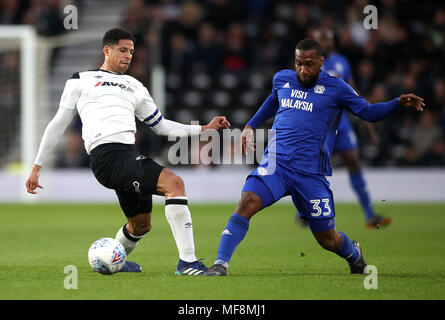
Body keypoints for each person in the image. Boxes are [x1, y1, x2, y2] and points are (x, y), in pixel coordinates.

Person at [202, 39, 424, 276]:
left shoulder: (337, 88)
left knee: (327, 239)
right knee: (247, 201)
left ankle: (354, 254)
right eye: (299, 64)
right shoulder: (282, 79)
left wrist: (397, 103)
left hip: (311, 175)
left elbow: (367, 112)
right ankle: (220, 264)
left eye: (309, 64)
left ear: (321, 62)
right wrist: (251, 124)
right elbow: (274, 100)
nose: (303, 70)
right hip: (277, 165)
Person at [25, 28, 230, 275]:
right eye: (123, 50)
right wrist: (37, 166)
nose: (128, 55)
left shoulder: (135, 86)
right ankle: (187, 263)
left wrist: (204, 129)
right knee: (174, 183)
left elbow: (162, 126)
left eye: (131, 51)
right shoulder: (80, 80)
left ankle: (114, 262)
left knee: (140, 226)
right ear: (107, 50)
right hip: (107, 157)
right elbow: (58, 124)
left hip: (127, 155)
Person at [311, 27, 391, 229]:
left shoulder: (342, 62)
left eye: (327, 39)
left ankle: (370, 215)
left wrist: (368, 125)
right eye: (320, 39)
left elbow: (354, 94)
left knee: (353, 162)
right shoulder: (309, 63)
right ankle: (307, 211)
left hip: (342, 124)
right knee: (316, 169)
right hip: (320, 125)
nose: (325, 43)